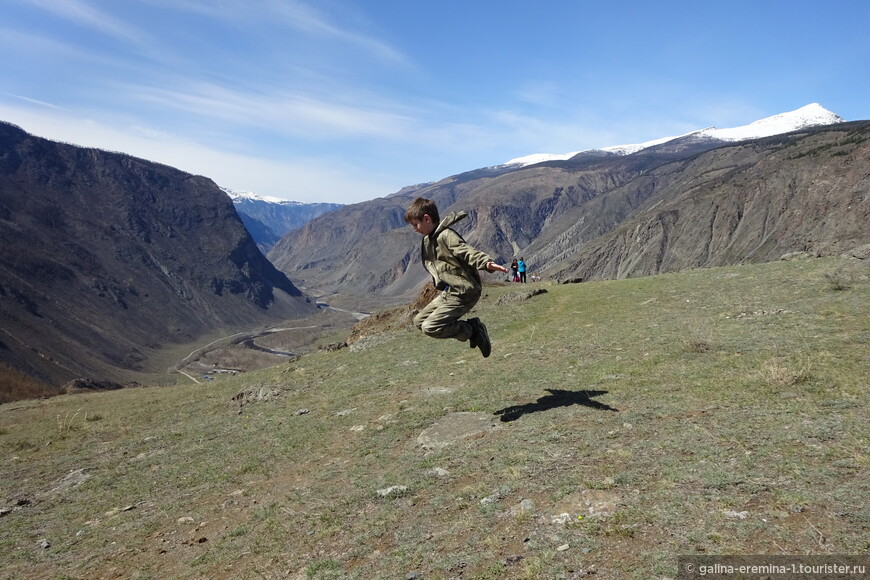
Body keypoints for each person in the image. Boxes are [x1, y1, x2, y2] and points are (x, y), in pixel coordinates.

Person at [404, 197, 509, 358]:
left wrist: (486, 262)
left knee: (430, 326)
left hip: (465, 292)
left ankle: (473, 331)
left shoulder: (446, 235)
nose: (415, 229)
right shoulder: (428, 240)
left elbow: (465, 250)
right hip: (450, 291)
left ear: (427, 218)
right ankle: (473, 330)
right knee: (419, 321)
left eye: (416, 225)